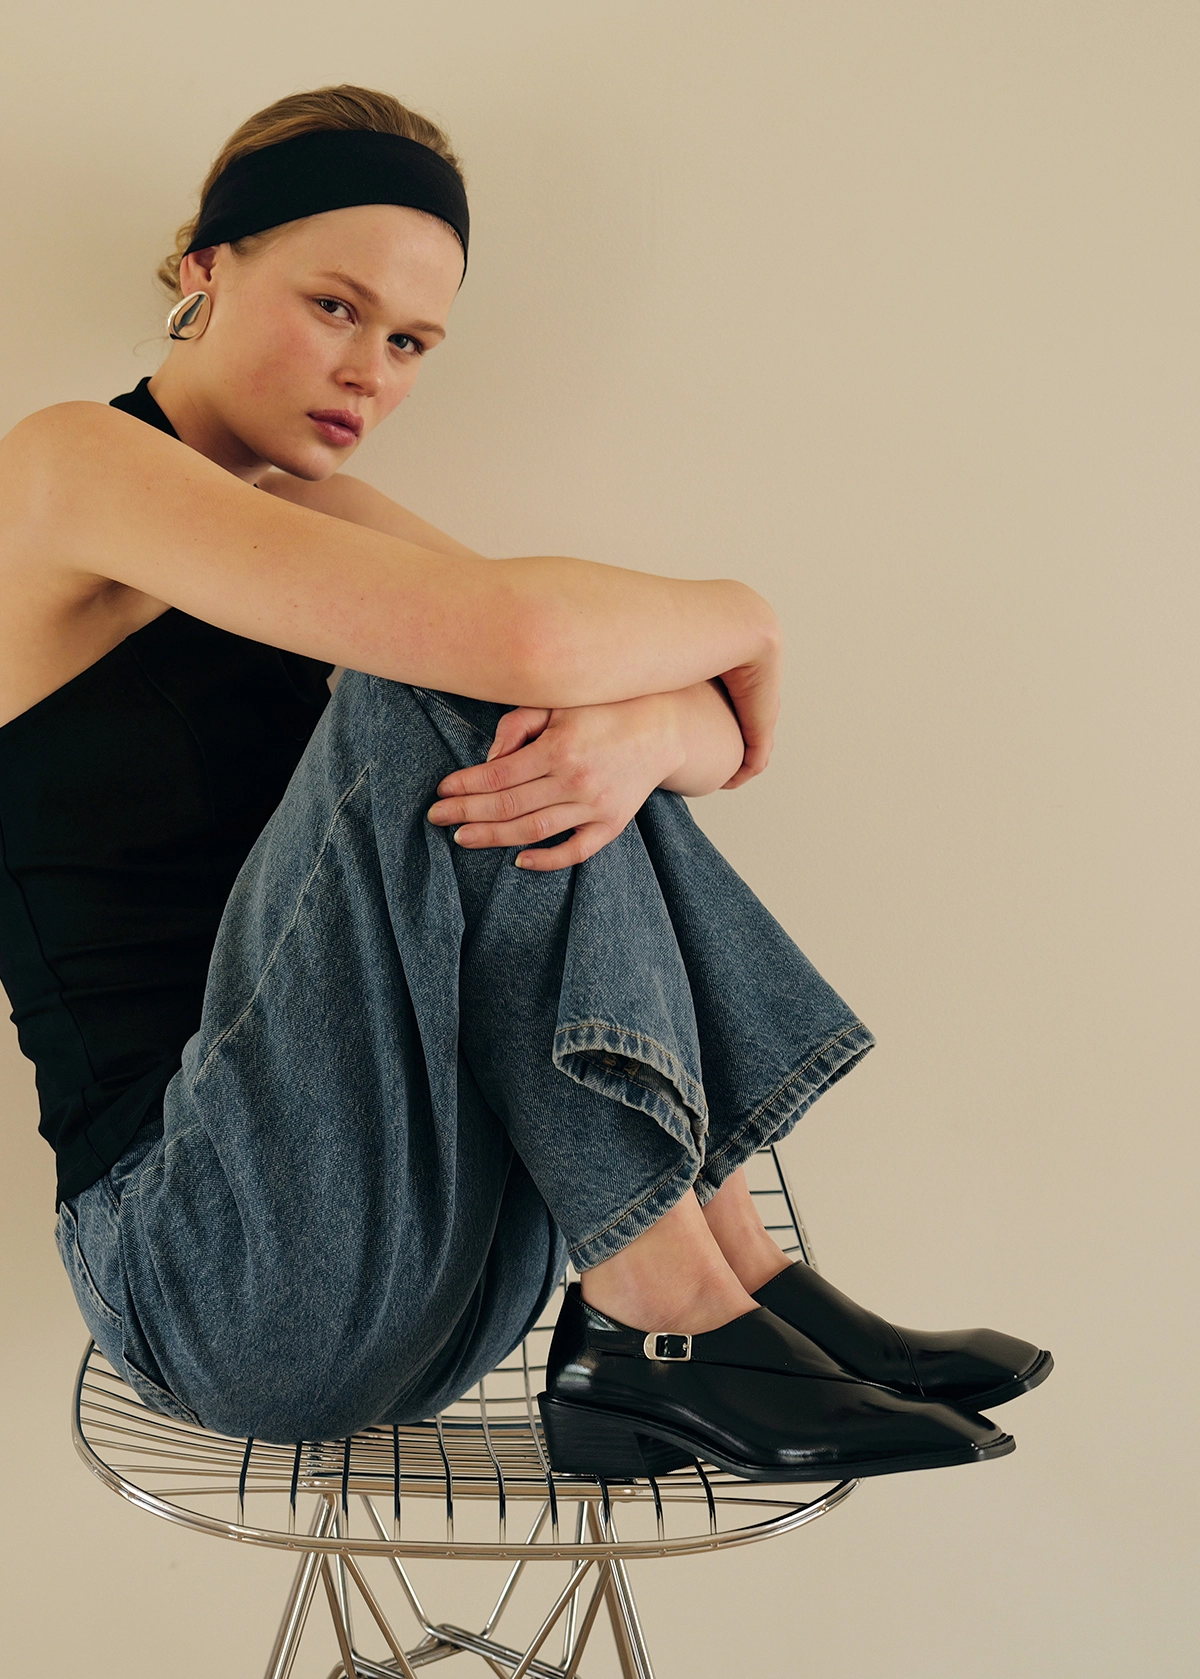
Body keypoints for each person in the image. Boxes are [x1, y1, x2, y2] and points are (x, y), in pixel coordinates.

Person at [0, 85, 1051, 1482]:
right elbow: (522, 641)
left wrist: (637, 730)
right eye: (334, 307)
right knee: (454, 683)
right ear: (206, 267)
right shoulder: (66, 468)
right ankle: (678, 1309)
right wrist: (742, 615)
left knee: (535, 718)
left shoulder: (305, 515)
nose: (370, 371)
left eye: (409, 341)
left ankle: (724, 1278)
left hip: (436, 1267)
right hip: (203, 1267)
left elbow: (704, 735)